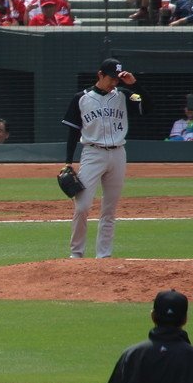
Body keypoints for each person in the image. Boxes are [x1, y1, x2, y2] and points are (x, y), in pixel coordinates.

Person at [62, 59, 145, 259]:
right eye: (111, 78)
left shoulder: (125, 95)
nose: (114, 82)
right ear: (100, 74)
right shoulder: (81, 98)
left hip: (118, 154)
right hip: (92, 153)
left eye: (117, 78)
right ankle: (76, 254)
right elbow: (73, 132)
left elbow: (147, 107)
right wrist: (68, 162)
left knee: (109, 209)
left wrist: (134, 85)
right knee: (82, 207)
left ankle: (104, 256)